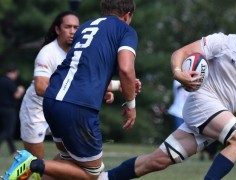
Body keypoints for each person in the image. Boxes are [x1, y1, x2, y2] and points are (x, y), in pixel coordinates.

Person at [102, 11, 236, 180]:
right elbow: (179, 54)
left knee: (157, 161)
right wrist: (178, 73)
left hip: (217, 115)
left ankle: (104, 178)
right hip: (202, 102)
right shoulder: (222, 43)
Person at [2, 0, 138, 179]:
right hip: (76, 106)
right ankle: (31, 164)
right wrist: (131, 105)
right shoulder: (125, 29)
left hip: (52, 101)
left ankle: (33, 170)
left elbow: (83, 72)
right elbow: (126, 69)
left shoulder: (86, 27)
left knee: (68, 160)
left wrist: (110, 87)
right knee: (92, 173)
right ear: (128, 15)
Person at [19, 10, 80, 159]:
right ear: (58, 29)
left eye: (76, 27)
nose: (72, 31)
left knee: (75, 157)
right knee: (34, 165)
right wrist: (72, 96)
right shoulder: (47, 53)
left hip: (59, 110)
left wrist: (111, 88)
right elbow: (40, 88)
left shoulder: (78, 53)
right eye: (68, 27)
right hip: (35, 111)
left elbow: (83, 81)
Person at [0, 64, 25, 155]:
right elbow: (16, 95)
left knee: (7, 130)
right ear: (13, 72)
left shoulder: (1, 80)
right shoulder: (9, 82)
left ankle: (13, 151)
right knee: (8, 131)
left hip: (1, 108)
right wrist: (21, 90)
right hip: (9, 110)